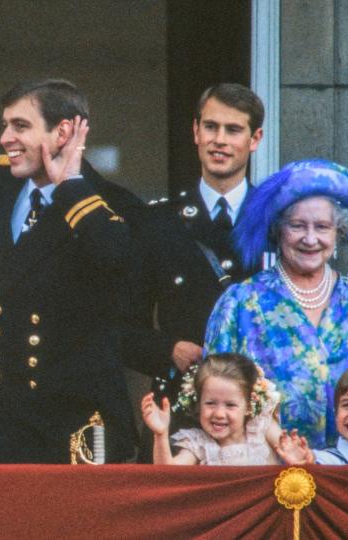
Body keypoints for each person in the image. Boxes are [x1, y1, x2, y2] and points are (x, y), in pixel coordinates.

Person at [0, 79, 139, 463]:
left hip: (74, 419)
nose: (5, 138)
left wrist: (71, 187)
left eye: (20, 126)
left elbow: (117, 261)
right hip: (4, 420)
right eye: (5, 125)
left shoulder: (108, 202)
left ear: (62, 131)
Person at [205, 159, 348, 448]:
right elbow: (211, 401)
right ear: (278, 231)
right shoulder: (240, 304)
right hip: (264, 476)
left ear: (339, 232)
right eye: (297, 226)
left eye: (322, 227)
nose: (310, 238)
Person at [131, 83, 265, 385]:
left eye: (233, 130)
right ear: (196, 132)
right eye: (210, 127)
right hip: (184, 404)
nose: (219, 140)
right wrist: (170, 350)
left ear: (255, 138)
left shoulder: (276, 222)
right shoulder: (159, 222)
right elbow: (123, 328)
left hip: (260, 409)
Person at [141, 353, 294, 465]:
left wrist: (301, 459)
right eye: (210, 403)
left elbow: (296, 460)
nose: (219, 414)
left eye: (230, 405)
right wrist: (160, 434)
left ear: (248, 406)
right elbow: (168, 476)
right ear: (198, 403)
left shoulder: (261, 427)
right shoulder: (198, 444)